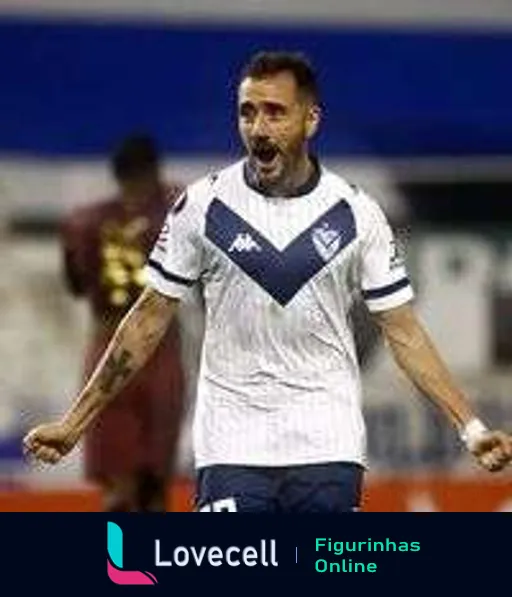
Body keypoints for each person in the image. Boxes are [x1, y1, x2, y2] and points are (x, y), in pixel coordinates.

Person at [24, 52, 512, 513]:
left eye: (275, 113)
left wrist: (470, 428)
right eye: (247, 113)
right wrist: (75, 423)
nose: (258, 128)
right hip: (232, 446)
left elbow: (403, 331)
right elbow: (148, 318)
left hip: (326, 444)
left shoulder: (356, 214)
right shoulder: (203, 206)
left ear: (311, 120)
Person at [58, 134, 185, 511]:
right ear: (155, 170)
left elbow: (76, 285)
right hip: (160, 350)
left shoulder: (82, 222)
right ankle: (159, 563)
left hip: (107, 353)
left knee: (118, 484)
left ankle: (118, 565)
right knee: (156, 485)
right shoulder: (175, 212)